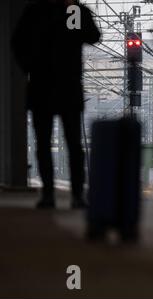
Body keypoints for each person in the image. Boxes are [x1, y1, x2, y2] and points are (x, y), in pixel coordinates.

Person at [11, 0, 101, 209]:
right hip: (65, 85)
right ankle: (75, 196)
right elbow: (93, 36)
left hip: (43, 86)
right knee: (72, 144)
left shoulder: (35, 11)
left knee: (45, 143)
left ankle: (50, 195)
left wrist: (28, 68)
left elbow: (17, 42)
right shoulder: (66, 10)